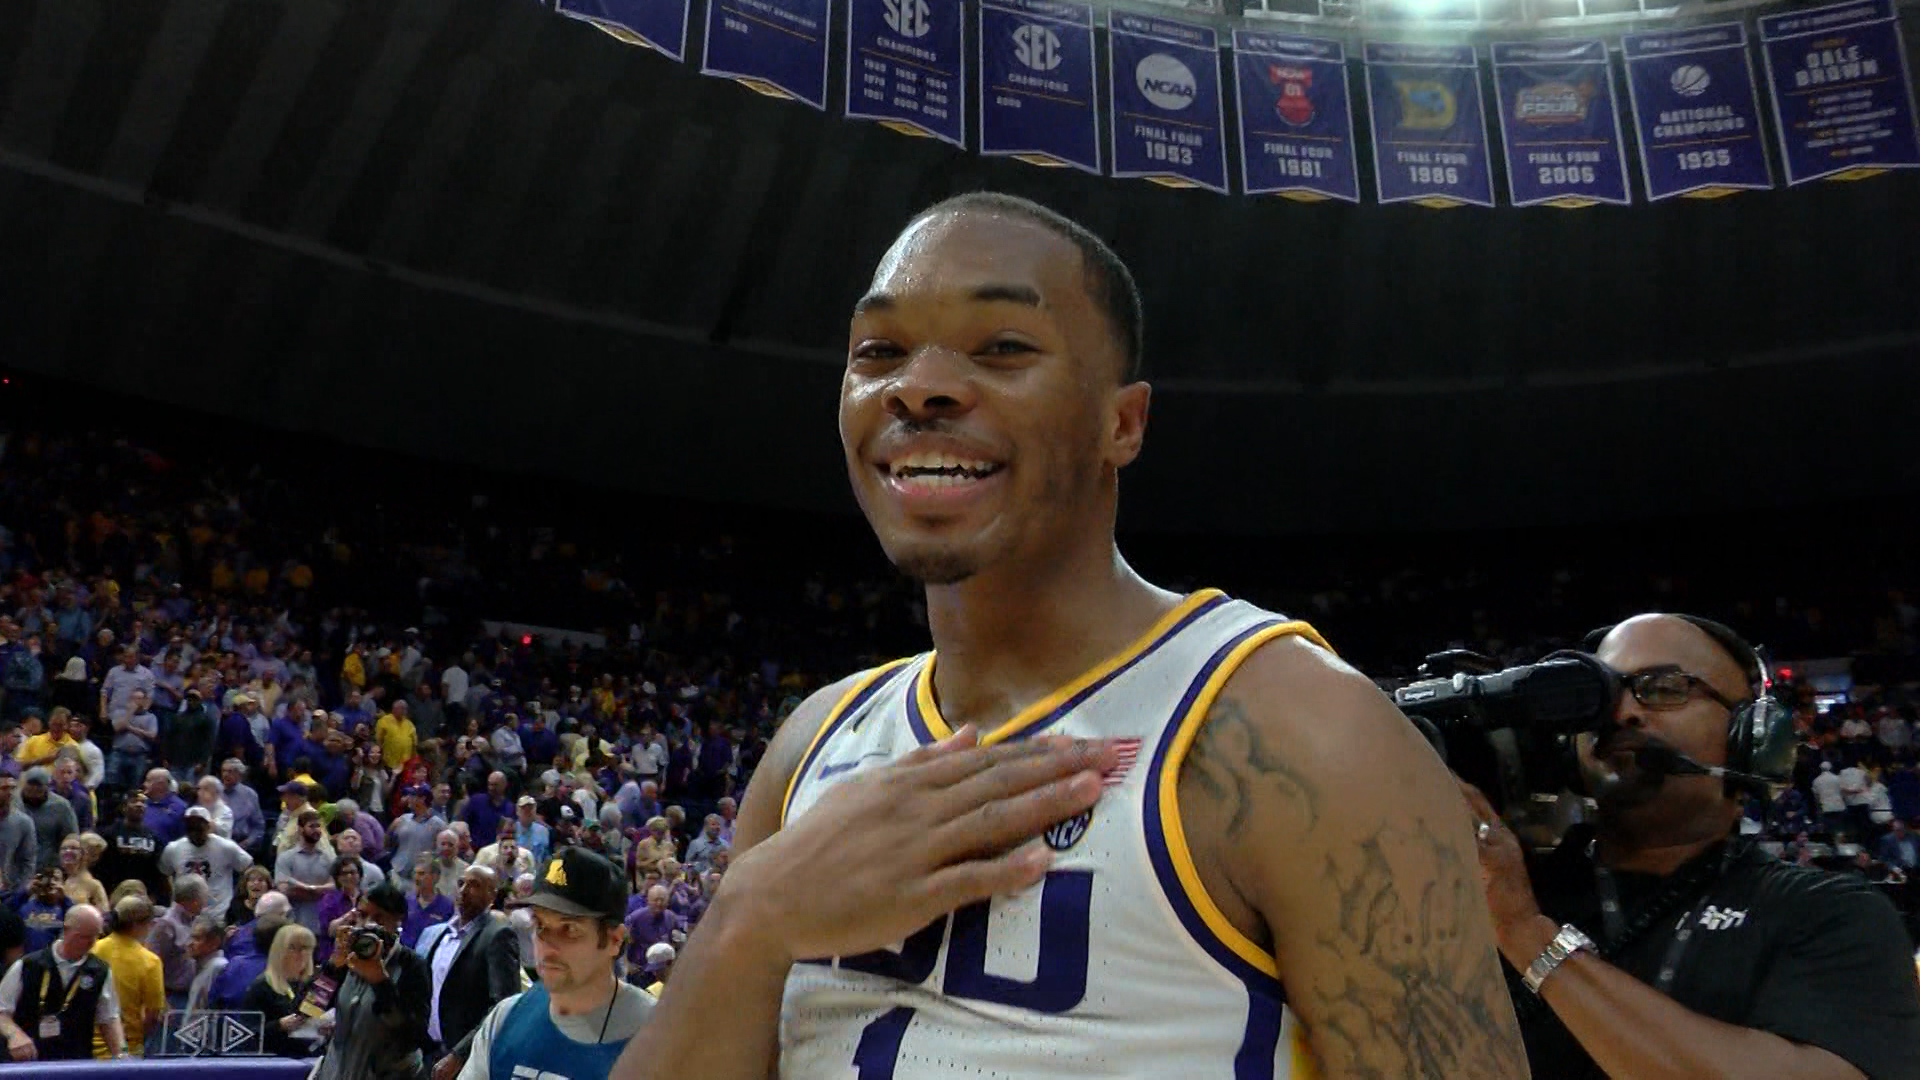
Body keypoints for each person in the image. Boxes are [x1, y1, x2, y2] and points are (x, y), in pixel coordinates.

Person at [611, 194, 1526, 1080]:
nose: (919, 387)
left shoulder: (1304, 728)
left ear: (1120, 423)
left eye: (1003, 348)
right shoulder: (813, 742)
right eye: (879, 351)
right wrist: (752, 919)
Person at [1464, 613, 1920, 1079]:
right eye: (1603, 692)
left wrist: (1529, 936)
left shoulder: (1830, 913)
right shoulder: (1497, 888)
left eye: (1662, 688)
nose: (1622, 712)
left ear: (1752, 738)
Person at [442, 847, 652, 1080]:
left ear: (614, 940)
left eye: (569, 929)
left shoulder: (658, 1034)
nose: (547, 946)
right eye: (540, 924)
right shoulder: (505, 1018)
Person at [310, 882, 433, 1080]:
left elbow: (414, 1036)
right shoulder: (346, 959)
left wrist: (380, 982)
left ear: (398, 920)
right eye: (362, 915)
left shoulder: (412, 965)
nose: (368, 924)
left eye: (379, 918)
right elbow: (309, 1009)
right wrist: (332, 968)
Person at [417, 865, 521, 1057]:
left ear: (492, 895)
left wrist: (460, 1054)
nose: (464, 890)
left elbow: (503, 1006)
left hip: (467, 1055)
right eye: (461, 883)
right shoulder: (434, 934)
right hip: (427, 1049)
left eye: (474, 885)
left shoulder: (498, 935)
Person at [0, 904, 127, 1061]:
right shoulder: (28, 965)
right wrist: (14, 1034)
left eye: (95, 936)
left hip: (76, 1063)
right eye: (84, 937)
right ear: (66, 930)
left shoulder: (99, 971)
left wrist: (121, 1054)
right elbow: (2, 1012)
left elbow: (109, 1019)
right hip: (30, 1062)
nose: (91, 943)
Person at [89, 894, 165, 1058]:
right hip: (126, 1049)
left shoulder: (93, 950)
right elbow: (153, 1014)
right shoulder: (150, 961)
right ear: (140, 925)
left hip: (88, 1047)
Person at [159, 805, 253, 916]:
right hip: (184, 913)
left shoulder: (225, 847)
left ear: (208, 827)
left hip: (218, 912)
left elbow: (248, 866)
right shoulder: (174, 848)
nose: (194, 831)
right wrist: (173, 894)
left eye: (198, 827)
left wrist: (238, 896)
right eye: (191, 827)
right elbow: (164, 872)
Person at [242, 922, 316, 1057]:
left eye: (305, 947)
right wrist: (279, 1025)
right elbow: (247, 1034)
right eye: (292, 948)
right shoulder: (261, 986)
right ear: (279, 951)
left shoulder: (313, 985)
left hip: (310, 1057)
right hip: (274, 1061)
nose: (300, 954)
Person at [0, 775, 32, 891]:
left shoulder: (23, 822)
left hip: (10, 891)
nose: (9, 792)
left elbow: (28, 860)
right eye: (4, 788)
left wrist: (22, 890)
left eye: (12, 788)